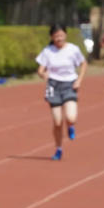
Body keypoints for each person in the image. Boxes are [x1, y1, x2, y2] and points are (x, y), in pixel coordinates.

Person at [36, 24, 88, 161]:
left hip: (69, 84)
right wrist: (43, 74)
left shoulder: (73, 49)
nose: (59, 38)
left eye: (61, 35)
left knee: (71, 117)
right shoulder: (48, 51)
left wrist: (79, 80)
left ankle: (71, 126)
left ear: (65, 35)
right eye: (56, 36)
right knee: (57, 122)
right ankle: (58, 148)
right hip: (53, 86)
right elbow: (40, 70)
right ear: (52, 37)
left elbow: (83, 64)